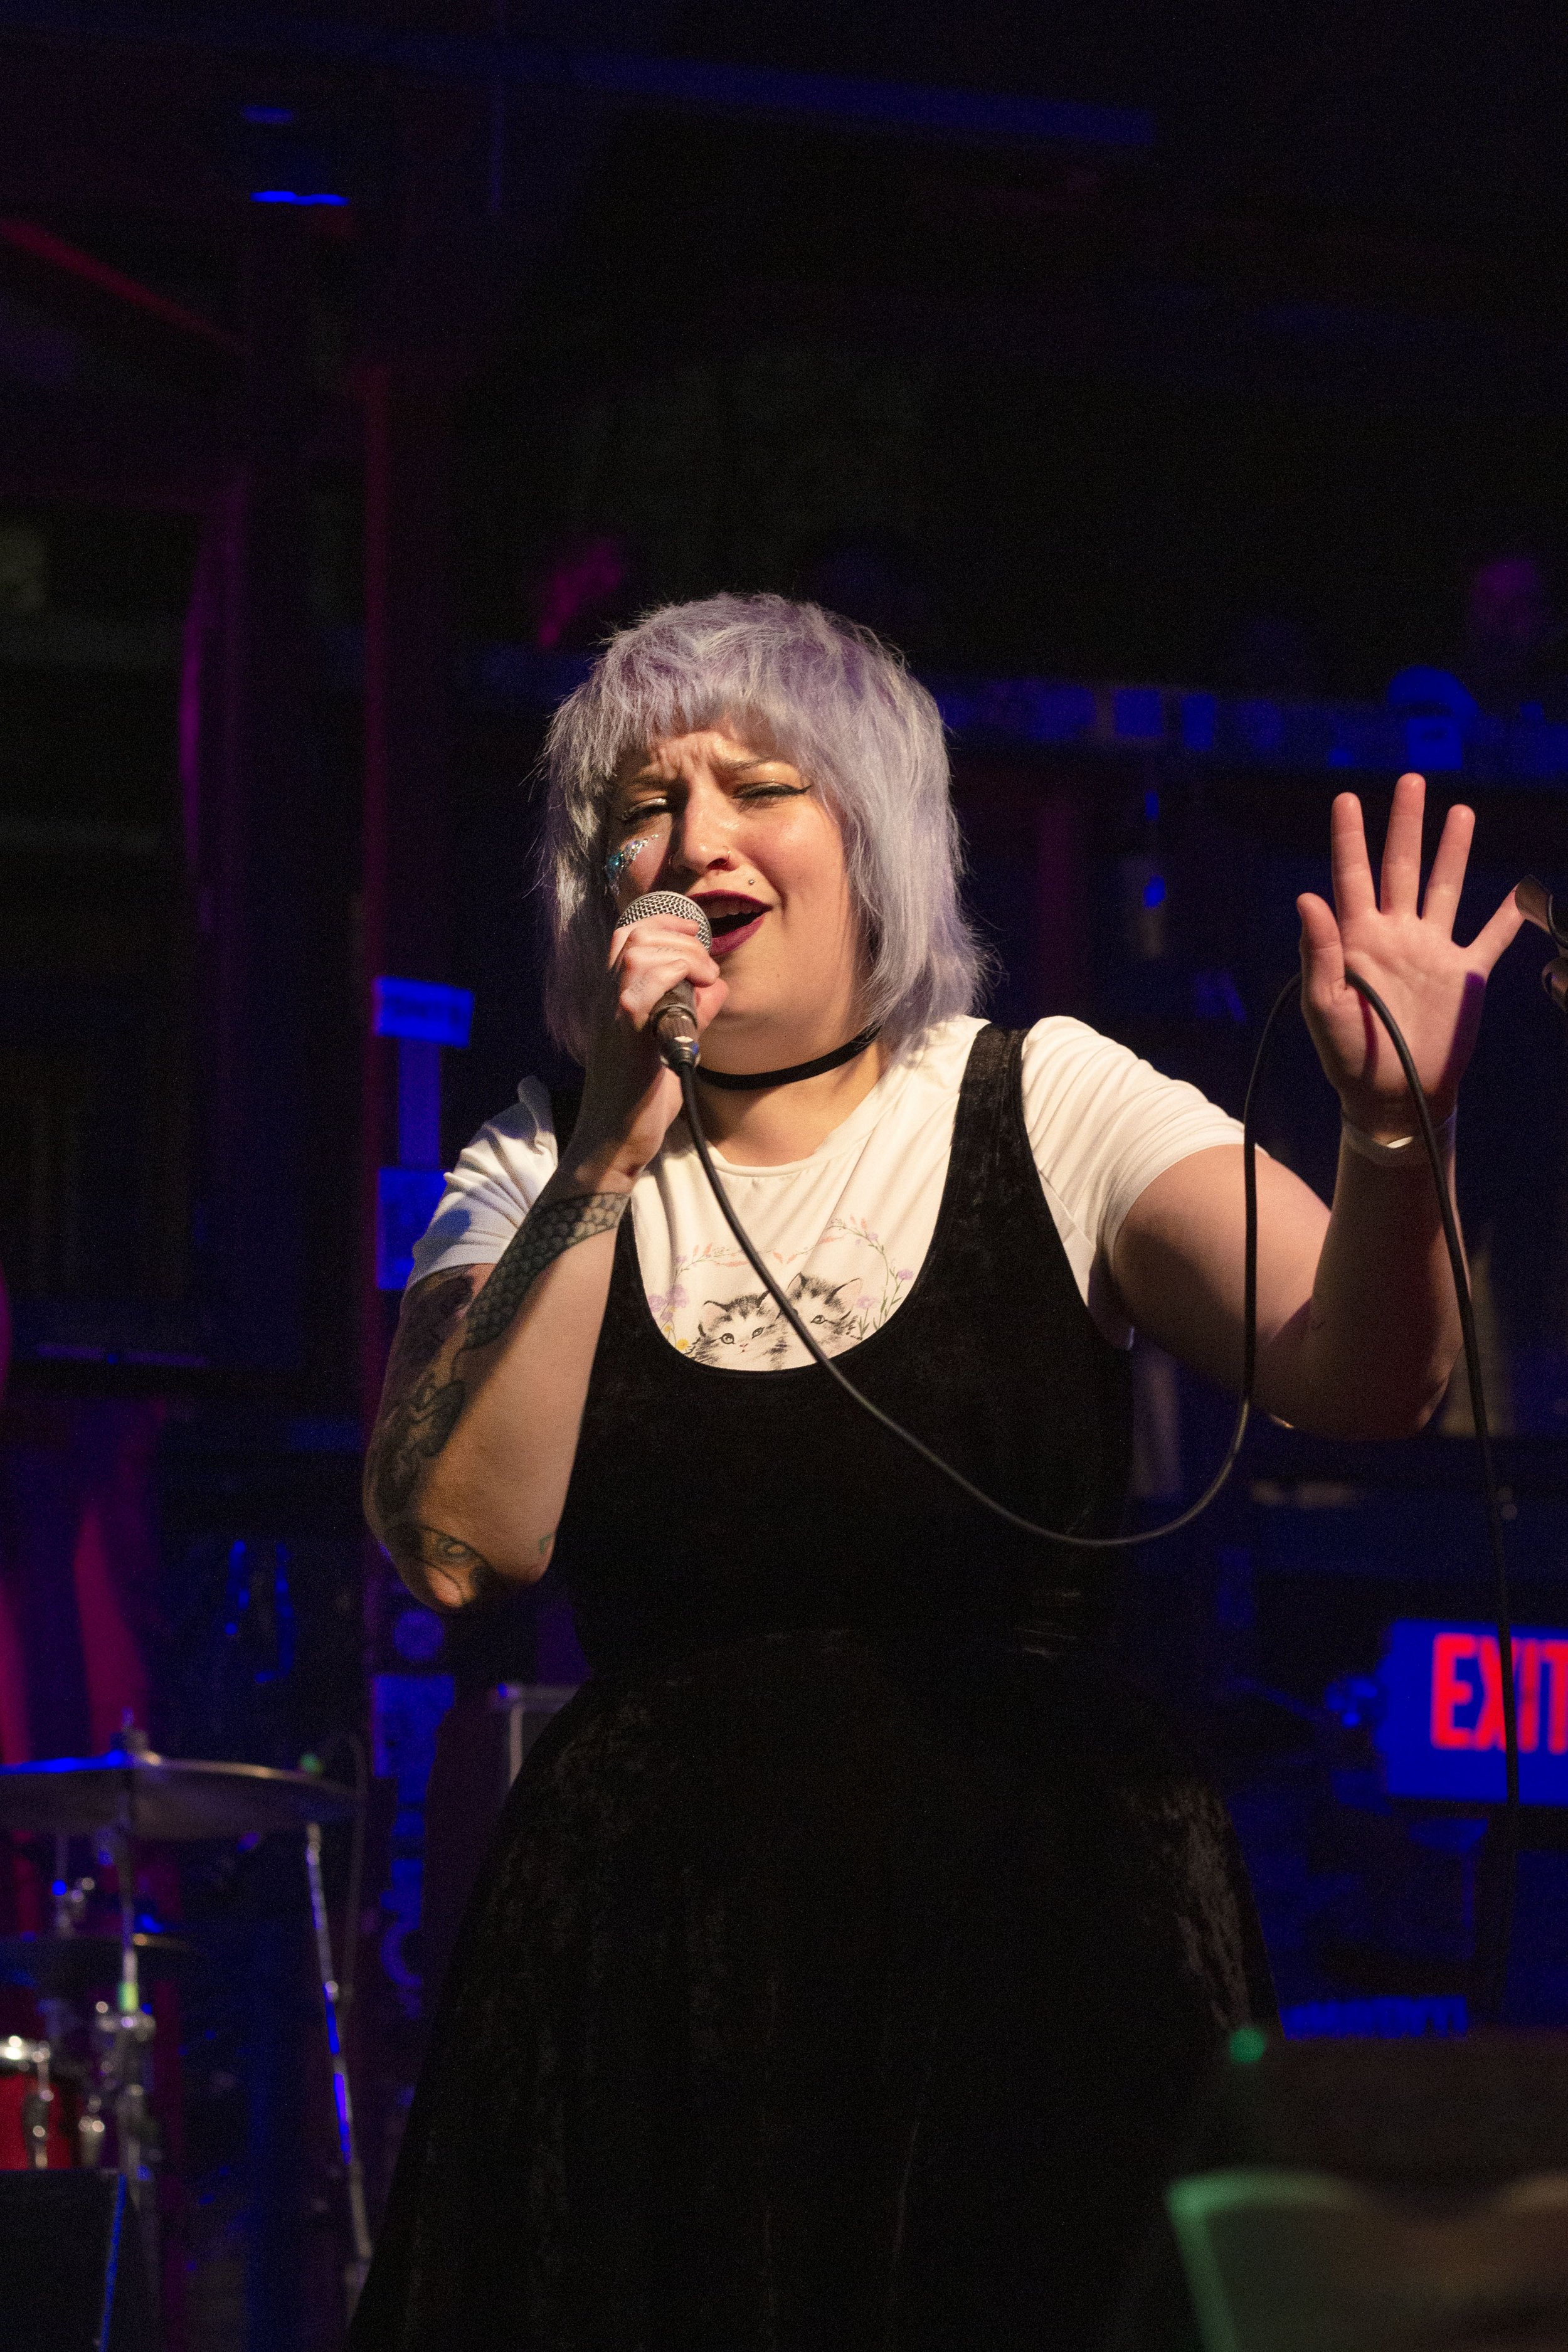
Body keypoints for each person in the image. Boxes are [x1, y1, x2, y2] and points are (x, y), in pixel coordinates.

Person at [350, 595, 1522, 2352]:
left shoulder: (1043, 1096)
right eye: (640, 811)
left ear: (873, 844)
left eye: (759, 789)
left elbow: (1366, 1379)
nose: (693, 843)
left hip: (1037, 1944)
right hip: (663, 1971)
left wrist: (1386, 1132)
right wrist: (609, 1142)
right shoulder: (533, 1162)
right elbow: (455, 1543)